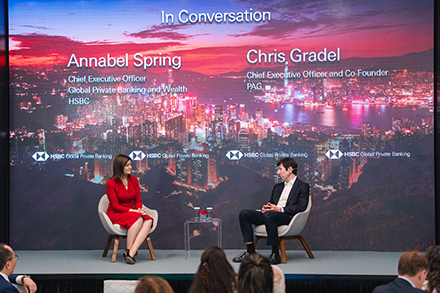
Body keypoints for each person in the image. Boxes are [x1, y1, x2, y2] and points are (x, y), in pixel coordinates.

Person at [233, 157, 309, 264]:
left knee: (269, 215)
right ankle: (250, 252)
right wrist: (267, 207)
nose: (278, 173)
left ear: (290, 169)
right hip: (271, 215)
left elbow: (301, 207)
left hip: (286, 216)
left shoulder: (302, 186)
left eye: (280, 169)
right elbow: (272, 202)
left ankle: (275, 253)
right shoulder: (277, 187)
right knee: (244, 214)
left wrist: (280, 209)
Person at [106, 154, 153, 264]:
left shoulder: (134, 180)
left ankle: (130, 252)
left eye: (130, 164)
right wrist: (134, 211)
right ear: (120, 167)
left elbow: (137, 200)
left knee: (149, 220)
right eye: (127, 165)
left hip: (132, 212)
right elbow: (115, 206)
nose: (130, 167)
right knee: (139, 218)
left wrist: (139, 209)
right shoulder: (111, 183)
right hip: (117, 213)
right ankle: (129, 251)